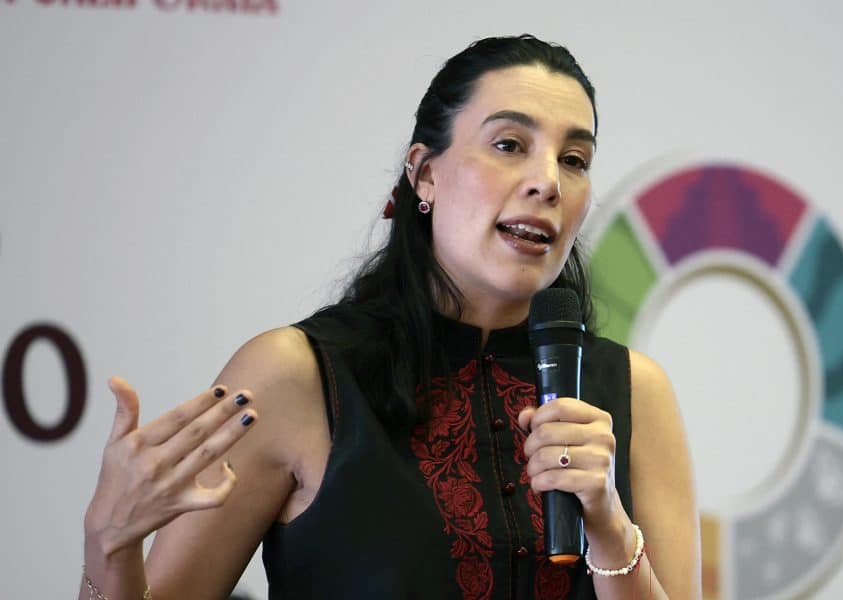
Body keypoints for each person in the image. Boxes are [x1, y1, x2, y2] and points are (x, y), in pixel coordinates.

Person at [80, 35, 700, 600]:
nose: (547, 183)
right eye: (509, 145)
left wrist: (613, 532)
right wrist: (109, 544)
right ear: (425, 175)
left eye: (574, 159)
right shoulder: (295, 376)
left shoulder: (634, 391)